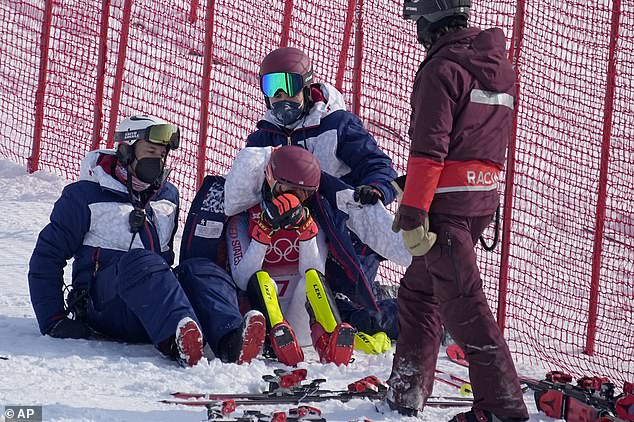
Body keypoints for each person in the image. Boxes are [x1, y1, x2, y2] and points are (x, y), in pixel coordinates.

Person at [381, 0, 530, 421]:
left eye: (418, 21)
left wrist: (413, 213)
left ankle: (503, 408)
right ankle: (406, 391)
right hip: (479, 201)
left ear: (431, 20)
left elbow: (430, 151)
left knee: (466, 310)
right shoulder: (498, 68)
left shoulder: (441, 69)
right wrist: (408, 186)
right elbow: (472, 146)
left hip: (445, 211)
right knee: (419, 294)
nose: (417, 31)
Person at [28, 115, 266, 367]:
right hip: (105, 306)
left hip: (151, 310)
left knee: (199, 268)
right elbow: (48, 255)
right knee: (142, 261)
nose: (159, 160)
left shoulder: (168, 196)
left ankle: (229, 339)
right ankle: (178, 339)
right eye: (151, 151)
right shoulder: (84, 196)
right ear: (126, 151)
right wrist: (52, 319)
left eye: (163, 154)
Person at [245, 46, 404, 345]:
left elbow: (377, 165)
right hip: (297, 231)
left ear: (307, 86)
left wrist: (377, 189)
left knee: (350, 315)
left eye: (288, 87)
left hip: (346, 231)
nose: (281, 97)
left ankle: (415, 311)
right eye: (272, 88)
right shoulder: (265, 134)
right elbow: (249, 178)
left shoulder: (336, 125)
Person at [226, 145, 356, 367]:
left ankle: (328, 339)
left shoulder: (313, 217)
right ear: (271, 180)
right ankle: (279, 336)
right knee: (261, 278)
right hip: (263, 317)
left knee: (313, 278)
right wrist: (263, 233)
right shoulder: (246, 217)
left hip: (301, 320)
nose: (294, 199)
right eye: (288, 190)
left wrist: (306, 233)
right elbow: (242, 278)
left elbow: (314, 271)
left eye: (302, 194)